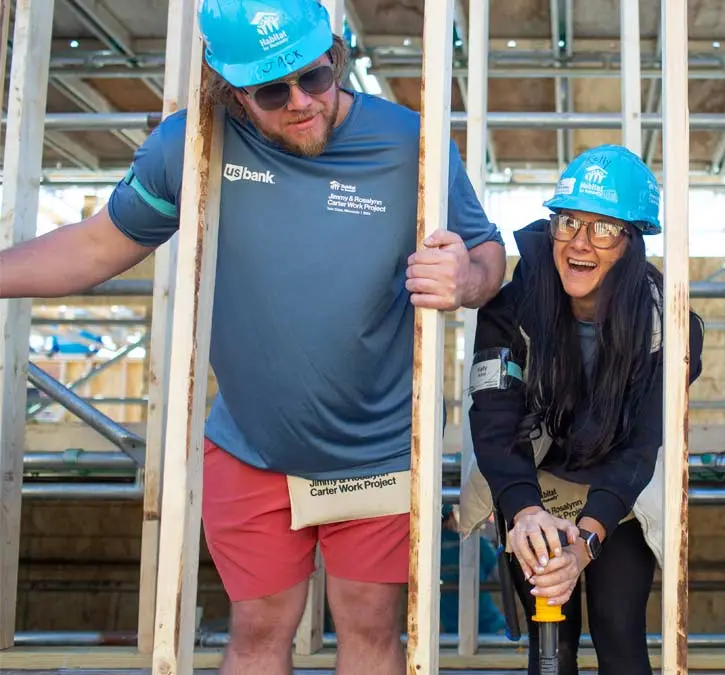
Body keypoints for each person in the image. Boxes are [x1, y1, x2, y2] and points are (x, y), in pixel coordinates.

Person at [0, 1, 506, 673]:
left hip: (377, 446)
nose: (301, 103)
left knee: (371, 625)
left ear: (335, 60)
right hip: (249, 446)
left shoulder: (410, 142)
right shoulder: (191, 146)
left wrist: (466, 280)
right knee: (257, 628)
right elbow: (96, 246)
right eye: (272, 90)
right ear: (227, 87)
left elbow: (488, 253)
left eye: (315, 79)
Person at [455, 145, 704, 675]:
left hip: (618, 490)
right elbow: (496, 419)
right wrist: (524, 512)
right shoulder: (509, 310)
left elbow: (642, 443)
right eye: (568, 221)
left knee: (619, 632)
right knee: (552, 644)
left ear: (634, 241)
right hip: (531, 482)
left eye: (604, 228)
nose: (580, 243)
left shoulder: (674, 327)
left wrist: (588, 539)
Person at [439, 505, 508, 636]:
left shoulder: (429, 551)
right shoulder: (476, 542)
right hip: (489, 623)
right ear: (452, 518)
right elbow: (500, 576)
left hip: (453, 628)